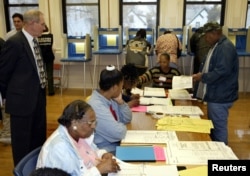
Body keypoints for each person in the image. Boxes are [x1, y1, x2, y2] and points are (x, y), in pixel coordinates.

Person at [0, 9, 47, 166]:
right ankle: (21, 170)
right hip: (21, 103)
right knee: (22, 143)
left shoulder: (34, 41)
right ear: (32, 23)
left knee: (38, 138)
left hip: (38, 98)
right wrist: (9, 97)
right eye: (42, 24)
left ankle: (35, 168)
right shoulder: (14, 42)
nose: (44, 27)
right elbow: (3, 72)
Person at [36, 100, 120, 176]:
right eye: (90, 123)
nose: (94, 126)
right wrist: (99, 170)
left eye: (95, 122)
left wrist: (103, 155)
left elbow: (92, 151)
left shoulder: (78, 135)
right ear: (74, 123)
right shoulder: (60, 149)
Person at [192, 22, 239, 145]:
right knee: (214, 124)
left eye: (207, 36)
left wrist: (203, 77)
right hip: (216, 93)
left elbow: (222, 71)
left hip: (220, 95)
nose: (205, 39)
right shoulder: (217, 45)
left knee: (218, 127)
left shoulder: (225, 47)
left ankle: (222, 154)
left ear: (215, 33)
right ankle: (215, 148)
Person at [88, 65, 132, 154]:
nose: (121, 90)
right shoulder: (96, 106)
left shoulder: (110, 98)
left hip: (116, 145)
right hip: (105, 151)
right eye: (121, 87)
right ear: (115, 88)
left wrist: (121, 103)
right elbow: (118, 133)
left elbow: (127, 119)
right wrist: (120, 125)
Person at [38, 25, 55, 96]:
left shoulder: (38, 36)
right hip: (49, 57)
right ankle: (51, 91)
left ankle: (43, 90)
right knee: (50, 74)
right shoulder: (51, 35)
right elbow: (52, 46)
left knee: (42, 75)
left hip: (41, 57)